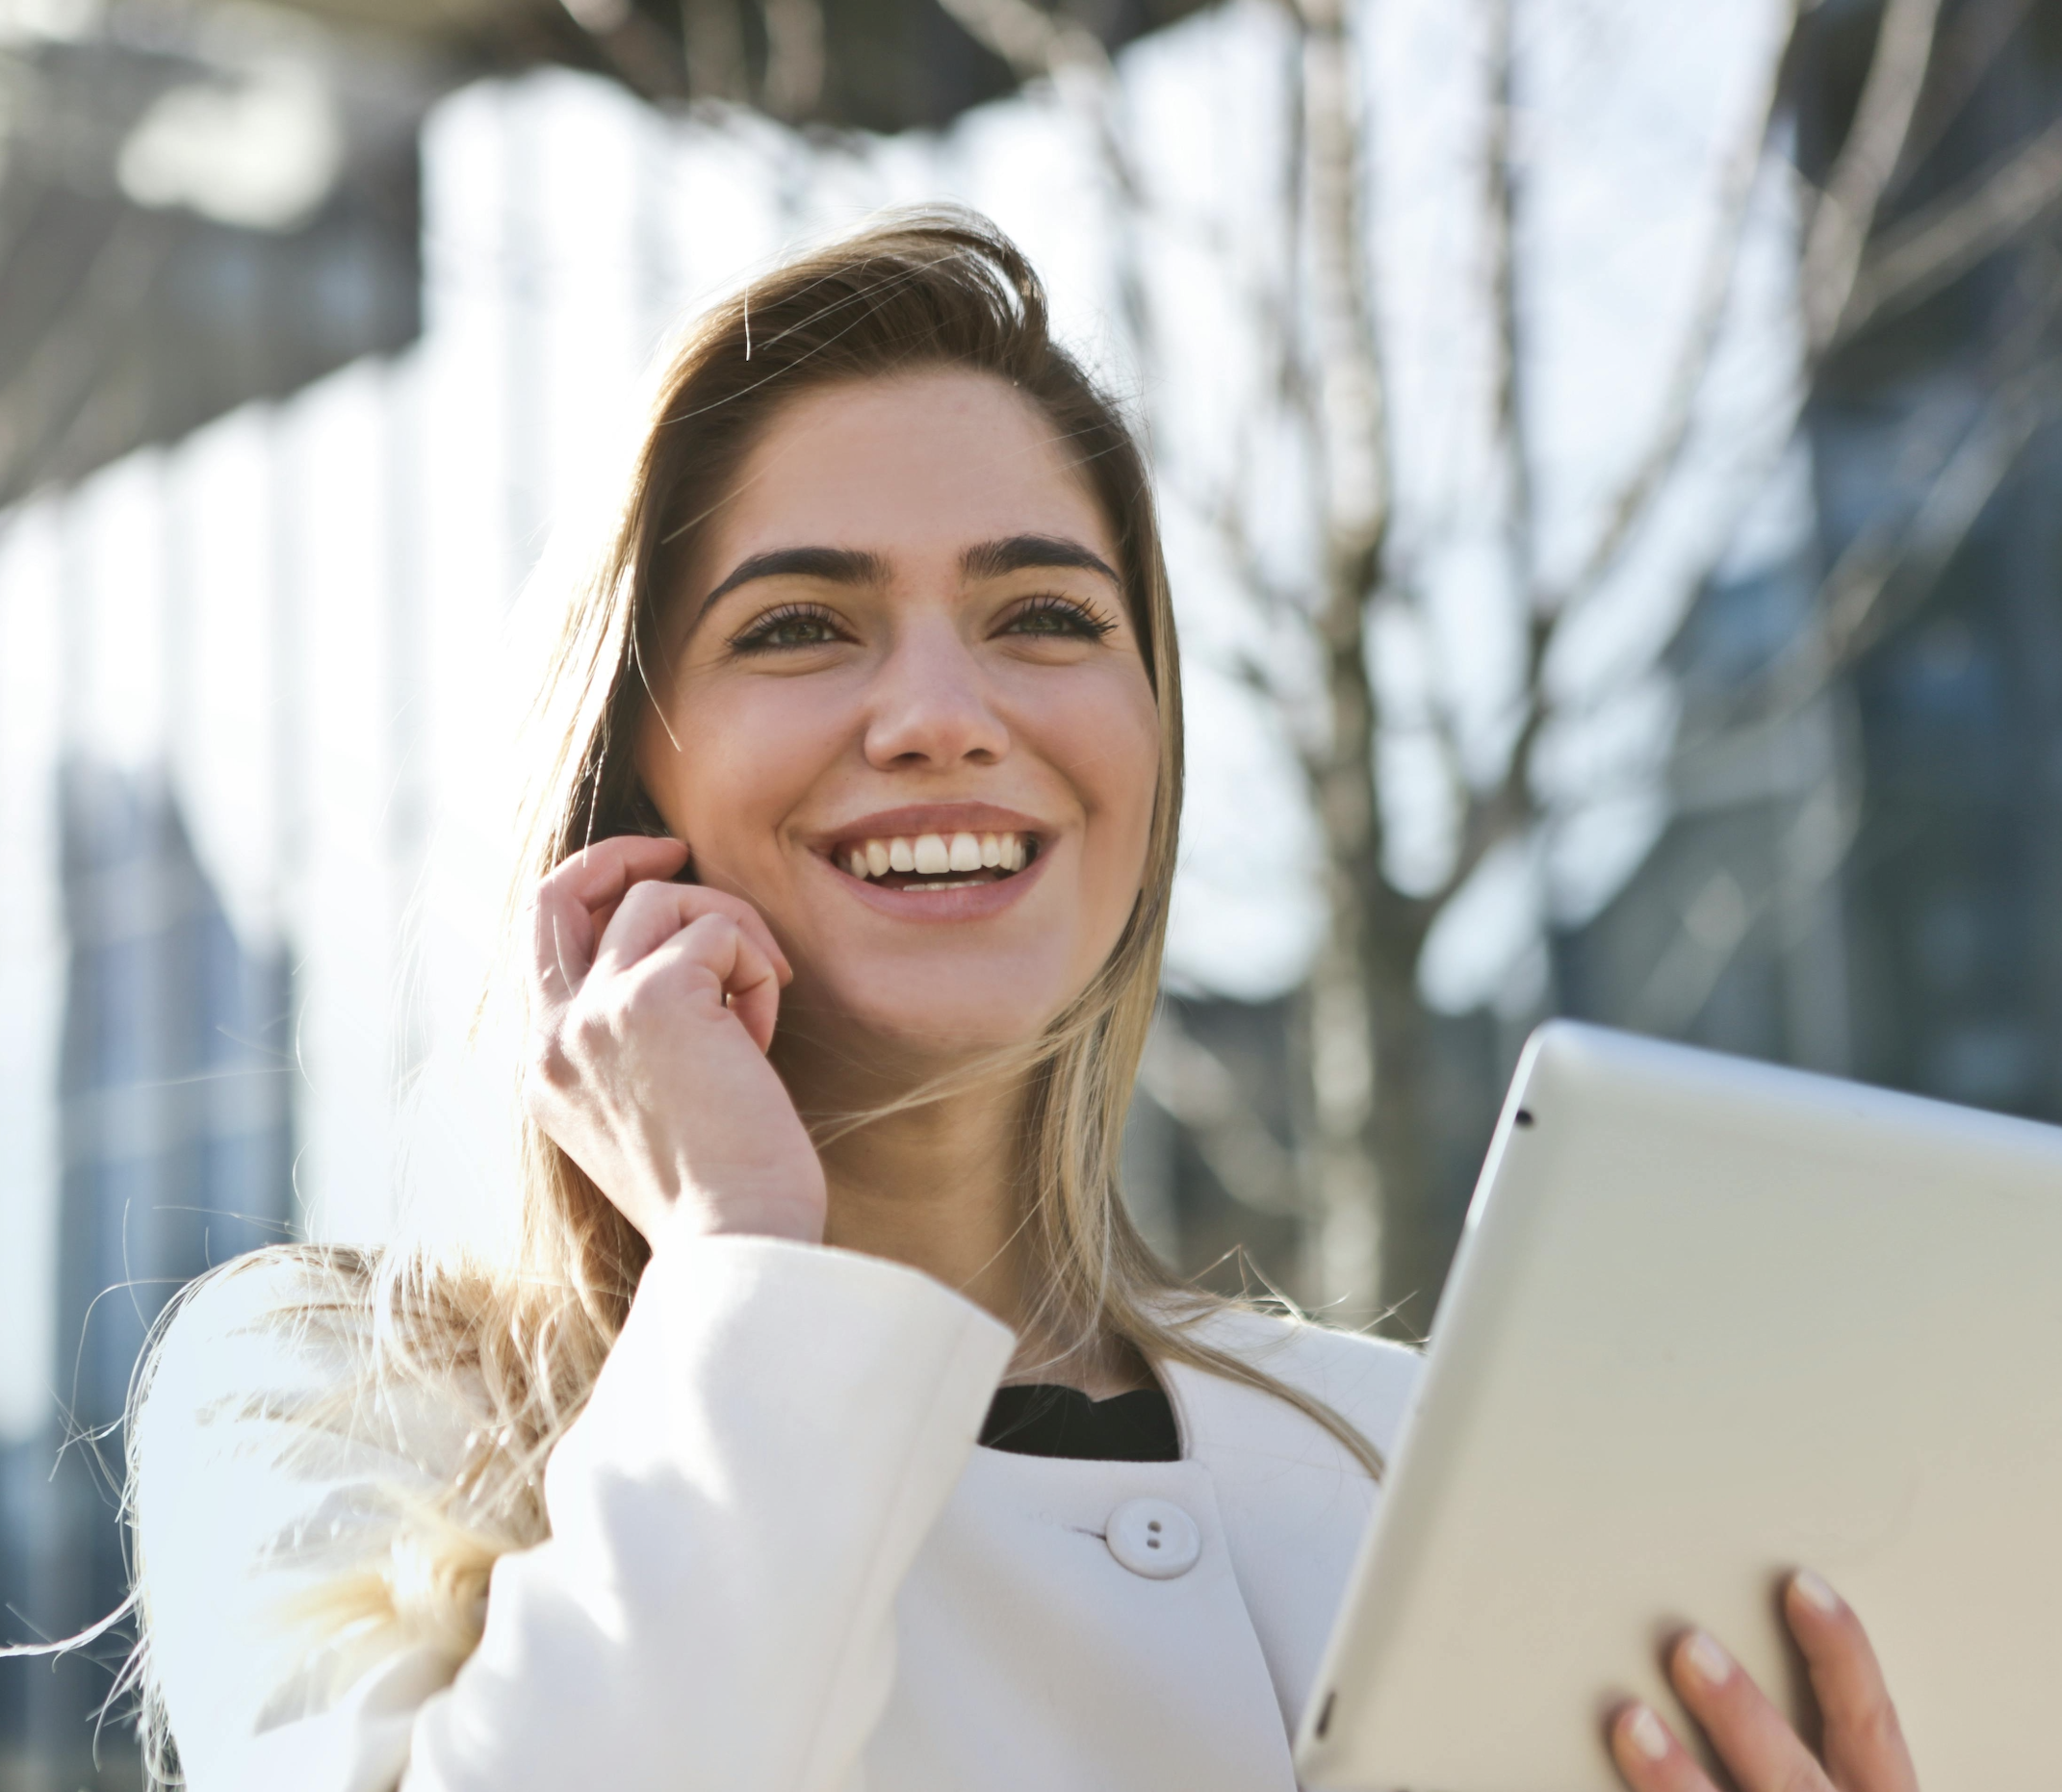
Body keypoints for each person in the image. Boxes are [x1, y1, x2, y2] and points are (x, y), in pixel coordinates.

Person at [126, 210, 1920, 1792]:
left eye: (1047, 616)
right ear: (622, 780)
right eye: (800, 626)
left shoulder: (1407, 1452)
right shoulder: (320, 1401)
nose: (941, 711)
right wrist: (749, 1259)